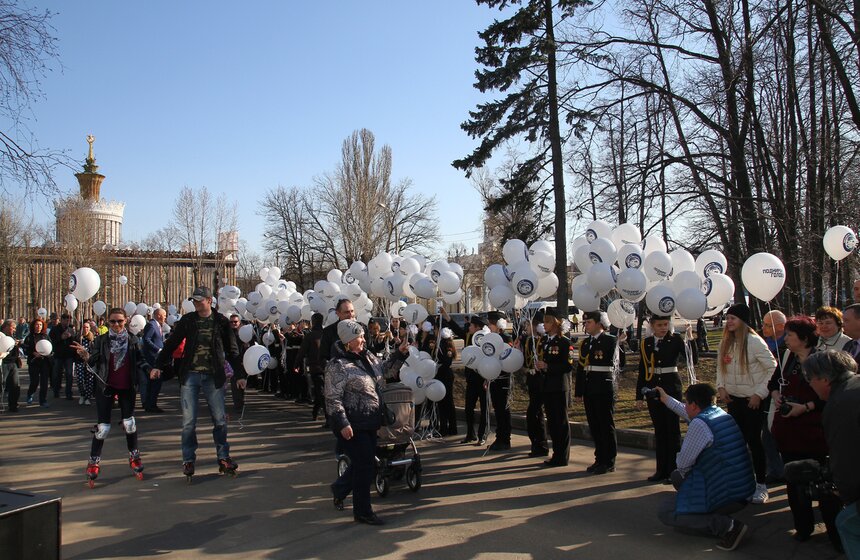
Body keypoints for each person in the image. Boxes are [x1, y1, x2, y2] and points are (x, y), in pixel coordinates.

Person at [149, 286, 246, 479]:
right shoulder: (188, 320)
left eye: (199, 300)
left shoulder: (221, 322)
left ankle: (223, 457)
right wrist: (158, 364)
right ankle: (188, 459)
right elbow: (172, 344)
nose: (195, 303)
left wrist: (240, 374)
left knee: (219, 420)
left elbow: (233, 350)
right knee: (188, 422)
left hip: (214, 375)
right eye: (193, 300)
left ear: (209, 301)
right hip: (190, 375)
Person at [766, 316, 842, 548]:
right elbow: (773, 384)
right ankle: (803, 526)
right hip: (789, 431)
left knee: (823, 483)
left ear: (804, 338)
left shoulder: (822, 360)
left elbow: (833, 394)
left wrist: (806, 407)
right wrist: (777, 396)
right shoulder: (787, 357)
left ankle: (835, 533)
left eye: (790, 334)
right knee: (794, 480)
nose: (785, 338)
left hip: (814, 432)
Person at [327, 319, 409, 526]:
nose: (364, 340)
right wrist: (342, 422)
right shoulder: (337, 366)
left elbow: (385, 372)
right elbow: (332, 398)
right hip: (352, 425)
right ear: (348, 340)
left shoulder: (367, 357)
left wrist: (399, 353)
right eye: (359, 337)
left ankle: (340, 488)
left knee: (364, 463)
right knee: (366, 465)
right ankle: (362, 511)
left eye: (363, 336)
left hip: (372, 420)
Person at [655, 383, 756, 551]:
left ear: (694, 405)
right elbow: (685, 411)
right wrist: (666, 399)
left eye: (687, 402)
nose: (685, 405)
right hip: (742, 490)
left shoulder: (699, 425)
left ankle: (728, 527)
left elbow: (682, 464)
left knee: (666, 510)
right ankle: (710, 511)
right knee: (679, 478)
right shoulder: (719, 414)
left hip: (726, 492)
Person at [71, 307, 152, 487]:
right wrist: (86, 356)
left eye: (120, 321)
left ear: (126, 321)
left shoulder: (133, 340)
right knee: (103, 428)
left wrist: (150, 370)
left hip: (127, 386)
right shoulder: (101, 340)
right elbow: (95, 361)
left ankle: (134, 456)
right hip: (106, 386)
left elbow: (140, 360)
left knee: (130, 424)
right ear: (108, 322)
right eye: (113, 321)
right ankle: (93, 461)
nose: (116, 325)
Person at [716, 303, 777, 504]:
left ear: (743, 321)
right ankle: (741, 482)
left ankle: (761, 484)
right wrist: (721, 388)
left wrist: (759, 394)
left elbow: (772, 368)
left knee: (754, 440)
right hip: (733, 400)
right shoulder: (726, 342)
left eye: (733, 318)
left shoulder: (754, 342)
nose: (729, 322)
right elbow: (720, 368)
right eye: (728, 318)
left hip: (752, 402)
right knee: (737, 442)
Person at [803, 350, 860, 559]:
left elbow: (846, 458)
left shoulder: (838, 404)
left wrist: (845, 494)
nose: (809, 385)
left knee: (847, 523)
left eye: (810, 379)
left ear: (825, 379)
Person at [635, 315, 697, 483]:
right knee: (660, 430)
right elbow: (643, 370)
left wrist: (690, 339)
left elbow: (693, 360)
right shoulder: (646, 343)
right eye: (659, 325)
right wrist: (639, 395)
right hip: (653, 389)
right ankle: (661, 470)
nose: (663, 327)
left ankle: (675, 470)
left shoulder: (675, 340)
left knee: (672, 430)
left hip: (671, 389)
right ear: (652, 326)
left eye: (665, 324)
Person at [574, 310, 625, 474]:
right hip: (590, 388)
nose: (586, 325)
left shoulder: (610, 340)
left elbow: (620, 363)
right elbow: (582, 368)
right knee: (594, 425)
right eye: (585, 322)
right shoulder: (586, 343)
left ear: (599, 324)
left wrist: (620, 345)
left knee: (605, 424)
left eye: (589, 322)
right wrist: (579, 392)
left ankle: (609, 460)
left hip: (604, 387)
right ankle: (599, 458)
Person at [441, 309, 488, 445]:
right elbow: (456, 329)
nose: (469, 327)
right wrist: (447, 317)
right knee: (469, 408)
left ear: (478, 327)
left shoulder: (485, 339)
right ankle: (470, 434)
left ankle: (482, 435)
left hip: (483, 377)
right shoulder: (468, 336)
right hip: (471, 378)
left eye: (471, 325)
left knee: (484, 408)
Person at [534, 308, 573, 467]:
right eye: (544, 321)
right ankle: (556, 453)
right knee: (552, 423)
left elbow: (568, 365)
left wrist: (548, 366)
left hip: (559, 386)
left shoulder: (564, 342)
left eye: (547, 321)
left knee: (560, 422)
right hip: (547, 385)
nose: (544, 324)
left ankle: (562, 456)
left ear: (556, 323)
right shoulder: (544, 341)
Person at [520, 317, 547, 457]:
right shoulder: (528, 341)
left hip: (541, 380)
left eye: (529, 325)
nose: (526, 328)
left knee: (534, 413)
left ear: (536, 326)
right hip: (531, 379)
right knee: (536, 414)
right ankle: (538, 444)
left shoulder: (544, 341)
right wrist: (525, 368)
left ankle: (540, 443)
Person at [486, 311, 513, 451]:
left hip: (503, 378)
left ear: (498, 324)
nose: (489, 326)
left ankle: (505, 439)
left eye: (491, 324)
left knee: (503, 410)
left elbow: (506, 358)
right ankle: (499, 437)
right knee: (498, 410)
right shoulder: (492, 338)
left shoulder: (505, 338)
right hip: (494, 378)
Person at [296, 313, 326, 422]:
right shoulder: (323, 334)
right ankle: (322, 415)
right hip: (321, 368)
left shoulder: (312, 335)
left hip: (317, 368)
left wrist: (297, 364)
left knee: (321, 392)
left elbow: (302, 351)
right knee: (321, 391)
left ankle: (318, 413)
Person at [140, 308, 166, 412]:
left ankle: (151, 404)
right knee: (154, 382)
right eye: (164, 315)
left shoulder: (157, 325)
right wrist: (158, 349)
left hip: (157, 358)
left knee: (155, 383)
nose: (165, 317)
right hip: (152, 358)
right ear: (159, 315)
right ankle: (150, 405)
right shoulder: (151, 325)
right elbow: (146, 339)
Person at [23, 318, 51, 407]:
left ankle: (43, 400)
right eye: (37, 325)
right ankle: (30, 393)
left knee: (44, 383)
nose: (38, 327)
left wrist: (47, 353)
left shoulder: (46, 336)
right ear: (33, 326)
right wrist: (33, 353)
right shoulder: (29, 337)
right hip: (33, 362)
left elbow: (50, 347)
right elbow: (26, 349)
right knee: (34, 381)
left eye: (40, 325)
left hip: (44, 362)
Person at [436, 327, 458, 436]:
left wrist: (437, 367)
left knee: (448, 402)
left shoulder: (447, 345)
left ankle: (451, 428)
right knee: (441, 403)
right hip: (440, 375)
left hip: (445, 375)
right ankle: (443, 427)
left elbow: (447, 362)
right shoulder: (439, 343)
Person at [319, 299, 356, 365]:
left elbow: (370, 351)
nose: (350, 314)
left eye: (352, 311)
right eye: (347, 312)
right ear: (338, 313)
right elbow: (323, 357)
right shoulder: (328, 331)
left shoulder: (362, 328)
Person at [49, 312, 76, 400]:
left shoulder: (71, 328)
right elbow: (51, 341)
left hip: (69, 355)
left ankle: (68, 393)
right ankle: (56, 391)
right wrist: (61, 338)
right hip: (58, 354)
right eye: (66, 320)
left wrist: (72, 336)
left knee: (69, 374)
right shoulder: (55, 329)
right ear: (62, 320)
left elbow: (74, 340)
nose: (68, 322)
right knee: (57, 374)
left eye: (69, 320)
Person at [73, 321, 96, 405]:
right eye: (84, 327)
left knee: (89, 380)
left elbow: (95, 351)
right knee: (80, 380)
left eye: (87, 327)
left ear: (89, 329)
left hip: (89, 362)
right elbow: (73, 348)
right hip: (79, 361)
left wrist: (89, 356)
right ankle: (82, 395)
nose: (85, 329)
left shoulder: (92, 339)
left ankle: (87, 397)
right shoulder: (78, 338)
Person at [1, 319, 21, 412]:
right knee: (2, 385)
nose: (14, 330)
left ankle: (13, 405)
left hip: (13, 363)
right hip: (3, 363)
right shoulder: (1, 336)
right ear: (6, 327)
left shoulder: (13, 337)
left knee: (15, 385)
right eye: (13, 327)